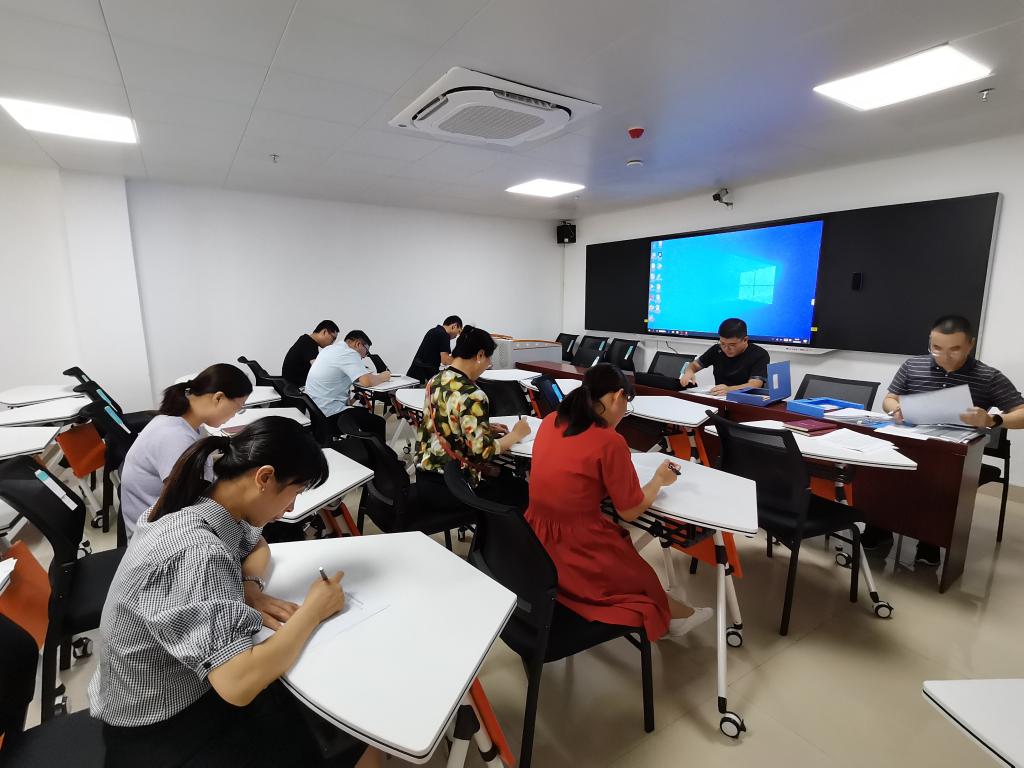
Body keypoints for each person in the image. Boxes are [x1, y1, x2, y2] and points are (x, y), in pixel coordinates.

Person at [89, 417, 380, 768]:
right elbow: (238, 684)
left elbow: (257, 545)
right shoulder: (198, 553)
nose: (290, 508)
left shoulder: (199, 504)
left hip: (158, 693)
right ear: (265, 478)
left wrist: (249, 587)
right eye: (296, 492)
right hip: (159, 728)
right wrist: (313, 611)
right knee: (353, 739)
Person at [526, 364, 712, 640]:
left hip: (535, 538)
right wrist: (659, 480)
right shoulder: (609, 441)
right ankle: (670, 615)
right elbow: (630, 511)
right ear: (618, 397)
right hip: (576, 546)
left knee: (632, 567)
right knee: (641, 578)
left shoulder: (552, 419)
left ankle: (672, 610)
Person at [865, 314, 1024, 565]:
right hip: (912, 440)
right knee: (879, 468)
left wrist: (993, 419)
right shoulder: (913, 366)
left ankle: (930, 540)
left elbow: (1021, 413)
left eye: (954, 349)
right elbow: (890, 399)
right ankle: (879, 528)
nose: (944, 356)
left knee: (937, 478)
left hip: (953, 453)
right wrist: (896, 409)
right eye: (936, 348)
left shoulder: (988, 377)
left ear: (970, 345)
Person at [120, 363, 252, 538]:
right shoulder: (174, 437)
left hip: (163, 524)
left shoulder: (179, 423)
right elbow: (188, 503)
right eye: (238, 408)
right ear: (218, 398)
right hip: (157, 537)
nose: (234, 415)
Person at [414, 325, 531, 507]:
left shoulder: (435, 380)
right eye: (489, 359)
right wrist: (516, 434)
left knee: (505, 477)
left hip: (426, 475)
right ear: (480, 355)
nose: (488, 365)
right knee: (520, 489)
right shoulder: (473, 394)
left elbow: (444, 420)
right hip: (455, 486)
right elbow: (483, 452)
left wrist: (483, 428)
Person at [305, 330, 391, 442]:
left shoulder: (329, 349)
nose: (364, 356)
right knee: (378, 422)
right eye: (366, 351)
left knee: (363, 413)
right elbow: (366, 382)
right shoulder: (349, 353)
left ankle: (360, 446)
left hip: (315, 410)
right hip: (329, 414)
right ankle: (377, 452)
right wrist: (383, 376)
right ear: (358, 344)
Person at [679, 318, 770, 395]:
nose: (726, 348)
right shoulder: (717, 349)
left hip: (746, 401)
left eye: (732, 345)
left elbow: (755, 384)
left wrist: (729, 390)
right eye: (722, 343)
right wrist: (689, 371)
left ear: (745, 340)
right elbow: (694, 365)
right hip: (719, 398)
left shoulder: (759, 354)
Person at [282, 320, 339, 388]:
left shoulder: (306, 340)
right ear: (325, 332)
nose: (332, 343)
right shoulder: (309, 343)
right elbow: (319, 370)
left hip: (291, 387)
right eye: (333, 338)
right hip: (293, 389)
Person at [407, 315, 462, 383]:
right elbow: (445, 360)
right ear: (454, 326)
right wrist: (462, 362)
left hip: (413, 375)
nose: (457, 335)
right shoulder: (444, 335)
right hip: (421, 379)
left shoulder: (433, 330)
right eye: (459, 331)